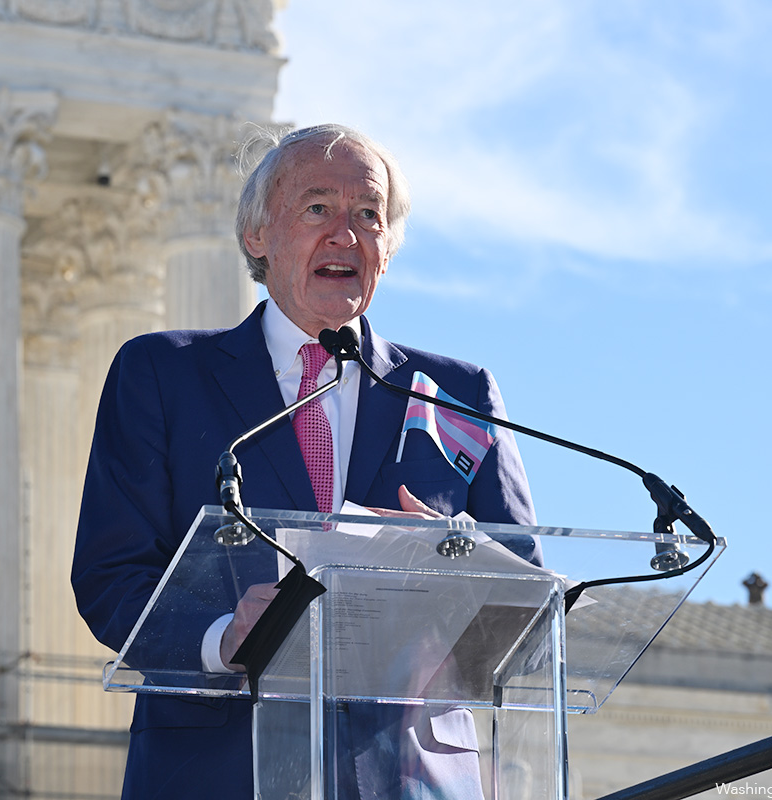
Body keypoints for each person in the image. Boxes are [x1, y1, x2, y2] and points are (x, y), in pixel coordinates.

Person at [71, 124, 535, 799]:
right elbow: (111, 578)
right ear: (257, 236)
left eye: (368, 215)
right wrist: (222, 638)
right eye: (318, 208)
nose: (346, 233)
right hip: (216, 773)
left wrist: (448, 565)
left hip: (407, 780)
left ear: (387, 249)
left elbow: (527, 604)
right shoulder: (163, 374)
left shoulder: (459, 396)